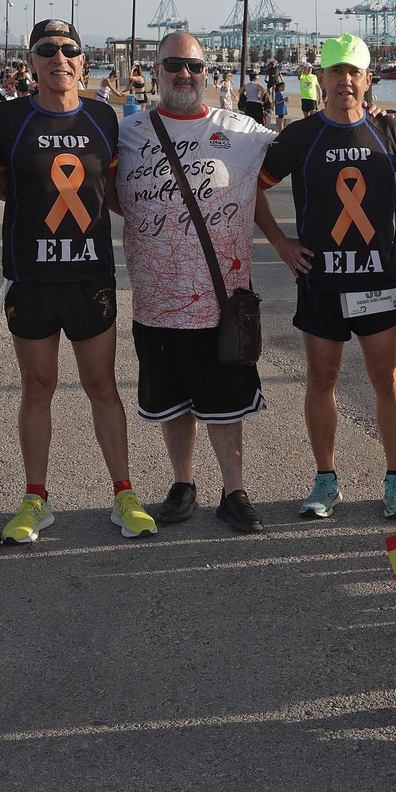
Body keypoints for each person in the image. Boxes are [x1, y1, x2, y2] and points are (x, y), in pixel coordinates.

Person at [0, 19, 158, 543]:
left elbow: (120, 188)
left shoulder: (105, 116)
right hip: (31, 280)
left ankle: (124, 494)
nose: (60, 57)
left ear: (84, 62)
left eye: (70, 50)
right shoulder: (7, 119)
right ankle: (36, 498)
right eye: (47, 50)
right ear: (31, 63)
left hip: (91, 279)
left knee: (102, 386)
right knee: (38, 388)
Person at [112, 31, 274, 532]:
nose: (185, 74)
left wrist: (375, 119)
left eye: (194, 66)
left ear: (209, 73)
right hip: (156, 301)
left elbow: (306, 153)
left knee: (226, 404)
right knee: (173, 402)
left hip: (220, 303)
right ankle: (182, 484)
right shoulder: (127, 131)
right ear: (155, 70)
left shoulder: (242, 130)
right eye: (173, 65)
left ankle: (233, 490)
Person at [255, 33, 396, 519]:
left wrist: (395, 215)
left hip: (378, 279)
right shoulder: (301, 135)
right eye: (336, 71)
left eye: (354, 72)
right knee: (322, 377)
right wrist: (282, 246)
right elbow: (254, 189)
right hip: (322, 282)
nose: (345, 81)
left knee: (386, 378)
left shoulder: (388, 132)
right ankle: (325, 479)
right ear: (321, 78)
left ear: (368, 79)